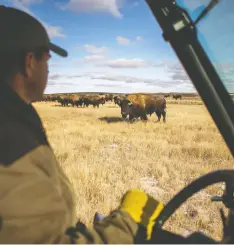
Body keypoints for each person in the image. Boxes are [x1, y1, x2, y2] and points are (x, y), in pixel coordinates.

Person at [0, 6, 164, 243]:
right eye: (46, 60)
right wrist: (127, 224)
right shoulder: (11, 142)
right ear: (29, 63)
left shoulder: (16, 115)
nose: (48, 68)